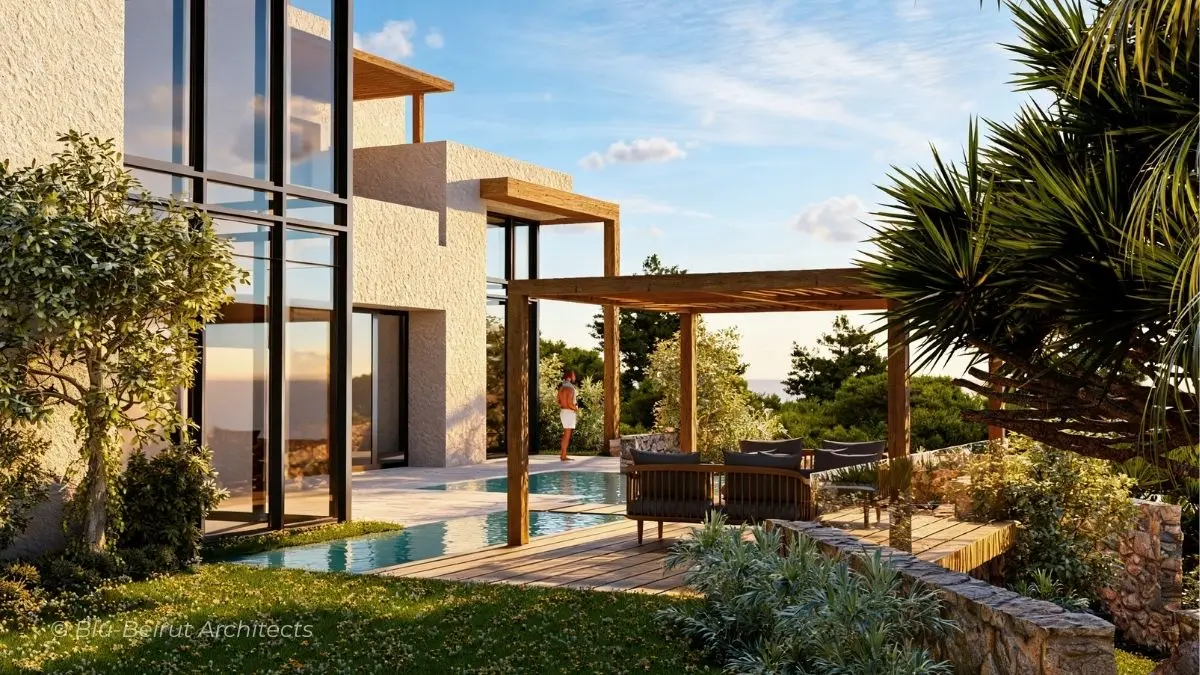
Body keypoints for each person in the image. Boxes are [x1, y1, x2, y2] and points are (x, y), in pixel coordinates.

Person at [557, 370, 580, 461]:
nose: (575, 377)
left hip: (563, 411)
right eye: (574, 375)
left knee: (565, 435)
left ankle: (562, 455)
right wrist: (576, 408)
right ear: (570, 377)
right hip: (569, 413)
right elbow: (570, 403)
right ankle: (563, 456)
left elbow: (557, 401)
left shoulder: (561, 388)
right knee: (567, 435)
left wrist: (564, 405)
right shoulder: (570, 388)